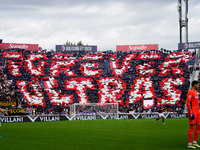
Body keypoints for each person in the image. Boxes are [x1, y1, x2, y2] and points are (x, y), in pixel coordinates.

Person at [186, 80, 200, 149]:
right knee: (192, 126)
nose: (198, 86)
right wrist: (191, 111)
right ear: (194, 85)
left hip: (198, 112)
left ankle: (194, 142)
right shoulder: (190, 92)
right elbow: (188, 102)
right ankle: (189, 143)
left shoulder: (196, 92)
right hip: (193, 112)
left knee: (198, 126)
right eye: (197, 85)